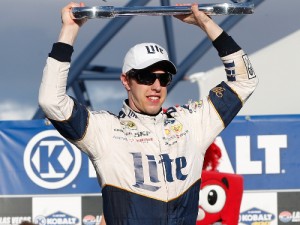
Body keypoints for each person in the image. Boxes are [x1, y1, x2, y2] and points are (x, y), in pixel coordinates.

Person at [38, 2, 258, 225]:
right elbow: (51, 101)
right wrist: (70, 30)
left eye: (163, 78)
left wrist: (206, 24)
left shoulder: (191, 123)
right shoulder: (104, 130)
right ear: (126, 80)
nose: (156, 86)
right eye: (145, 77)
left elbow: (244, 81)